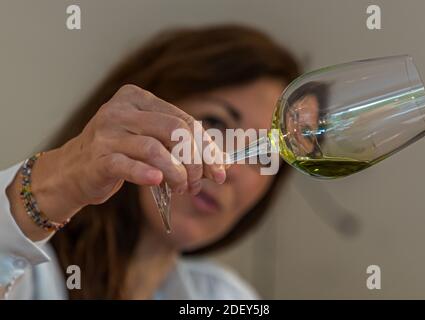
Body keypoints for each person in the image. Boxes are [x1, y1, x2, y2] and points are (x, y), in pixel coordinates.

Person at [0, 24, 301, 299]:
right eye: (216, 122)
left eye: (262, 155)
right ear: (141, 110)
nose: (226, 165)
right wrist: (60, 184)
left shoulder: (226, 297)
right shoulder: (27, 273)